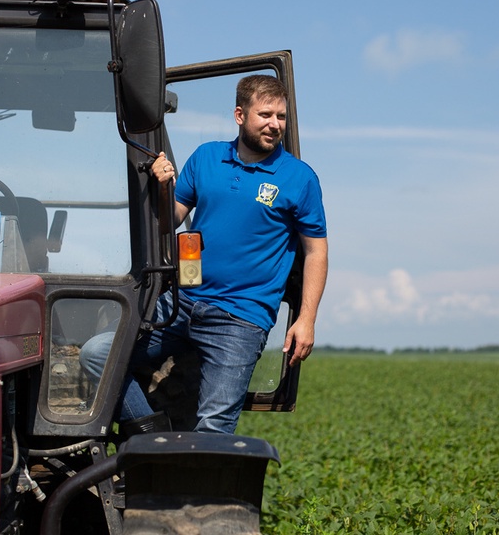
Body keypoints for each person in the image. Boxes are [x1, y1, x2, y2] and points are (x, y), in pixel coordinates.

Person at [80, 74, 328, 434]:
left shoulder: (299, 178)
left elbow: (316, 252)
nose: (275, 125)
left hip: (241, 318)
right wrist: (162, 188)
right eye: (266, 115)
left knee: (214, 428)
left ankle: (193, 487)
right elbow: (170, 223)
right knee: (96, 356)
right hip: (182, 302)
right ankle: (149, 431)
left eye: (281, 116)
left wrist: (306, 319)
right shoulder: (206, 158)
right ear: (240, 115)